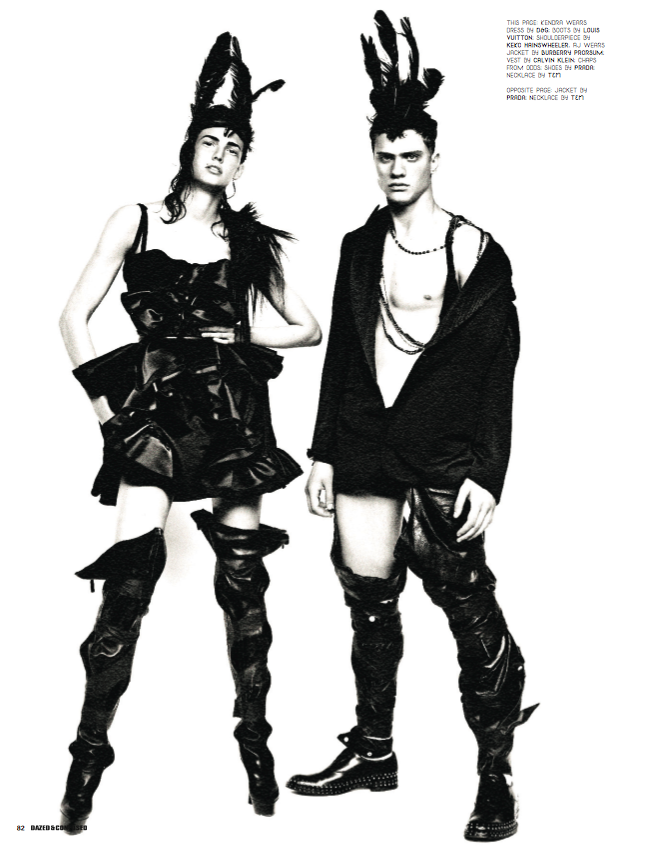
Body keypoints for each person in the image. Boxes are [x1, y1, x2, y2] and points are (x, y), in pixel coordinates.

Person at [58, 32, 321, 832]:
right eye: (211, 140)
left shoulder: (249, 243)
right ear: (189, 146)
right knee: (126, 592)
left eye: (234, 147)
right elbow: (72, 318)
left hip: (234, 419)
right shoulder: (135, 219)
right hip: (155, 423)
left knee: (244, 591)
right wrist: (108, 415)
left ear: (243, 164)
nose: (220, 153)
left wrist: (236, 336)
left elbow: (306, 328)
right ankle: (85, 764)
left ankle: (257, 752)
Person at [287, 12, 537, 842]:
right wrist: (323, 451)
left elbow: (499, 369)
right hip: (365, 443)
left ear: (435, 158)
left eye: (410, 156)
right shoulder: (359, 246)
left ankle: (495, 775)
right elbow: (343, 355)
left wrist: (487, 473)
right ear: (374, 158)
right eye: (385, 157)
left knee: (466, 605)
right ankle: (374, 752)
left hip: (441, 452)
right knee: (368, 602)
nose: (396, 169)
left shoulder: (475, 251)